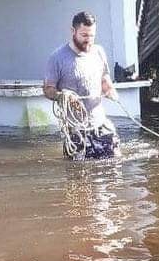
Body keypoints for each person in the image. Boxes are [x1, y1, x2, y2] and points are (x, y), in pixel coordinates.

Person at [43, 11, 120, 159]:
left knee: (114, 167)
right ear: (73, 31)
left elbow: (104, 79)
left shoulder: (99, 52)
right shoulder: (57, 58)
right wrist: (62, 96)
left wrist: (110, 90)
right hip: (76, 130)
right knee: (79, 177)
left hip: (100, 123)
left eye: (92, 36)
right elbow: (48, 89)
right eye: (84, 35)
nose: (89, 40)